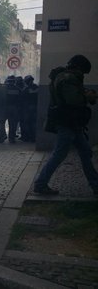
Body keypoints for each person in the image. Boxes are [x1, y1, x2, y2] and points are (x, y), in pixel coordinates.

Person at [34, 54, 98, 195]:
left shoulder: (67, 77)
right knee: (59, 154)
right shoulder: (68, 78)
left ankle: (95, 185)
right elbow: (73, 100)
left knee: (85, 153)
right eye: (83, 71)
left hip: (72, 123)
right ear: (79, 68)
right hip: (67, 122)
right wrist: (88, 96)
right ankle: (40, 184)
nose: (83, 75)